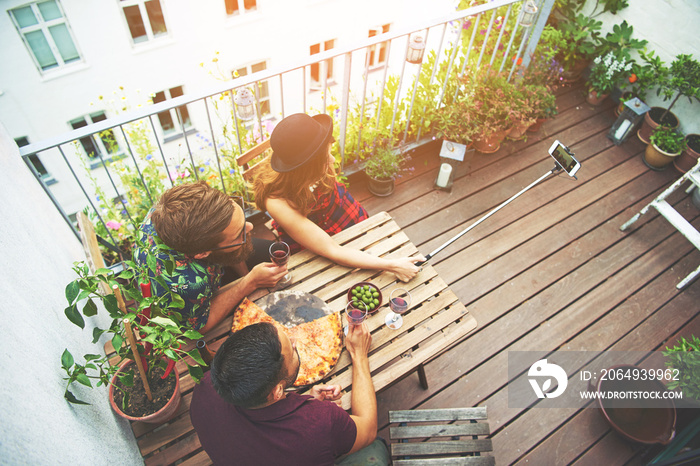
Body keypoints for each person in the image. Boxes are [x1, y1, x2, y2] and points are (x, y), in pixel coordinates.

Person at [190, 321, 389, 465]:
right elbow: (368, 428)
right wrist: (359, 354)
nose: (294, 341)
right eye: (291, 350)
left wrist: (303, 401)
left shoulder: (205, 387)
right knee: (375, 448)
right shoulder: (319, 423)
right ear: (277, 391)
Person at [254, 112, 421, 282]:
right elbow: (333, 250)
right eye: (326, 158)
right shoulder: (276, 202)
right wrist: (393, 266)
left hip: (340, 209)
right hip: (311, 232)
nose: (333, 160)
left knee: (373, 245)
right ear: (305, 170)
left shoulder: (308, 159)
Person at [133, 181, 288, 333]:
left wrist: (246, 272)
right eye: (238, 235)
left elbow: (227, 243)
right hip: (184, 301)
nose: (251, 227)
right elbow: (201, 325)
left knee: (269, 250)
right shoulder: (187, 283)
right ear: (202, 254)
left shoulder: (168, 209)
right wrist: (250, 282)